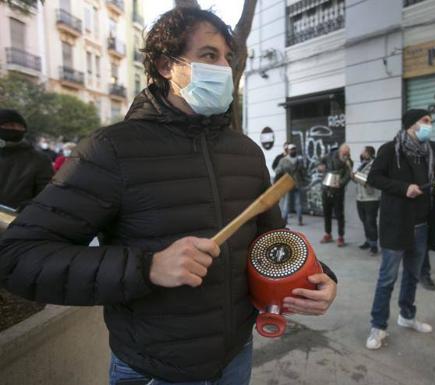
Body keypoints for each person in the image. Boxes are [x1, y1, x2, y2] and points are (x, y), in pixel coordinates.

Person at [0, 8, 337, 385]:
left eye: (229, 58)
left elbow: (272, 244)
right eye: (209, 55)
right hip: (152, 369)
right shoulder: (111, 150)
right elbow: (17, 257)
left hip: (236, 358)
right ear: (164, 65)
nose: (224, 68)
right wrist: (147, 268)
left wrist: (316, 278)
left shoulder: (246, 152)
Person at [365, 109, 435, 350]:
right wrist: (403, 188)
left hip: (421, 225)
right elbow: (373, 178)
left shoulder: (431, 151)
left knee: (412, 275)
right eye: (425, 121)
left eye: (430, 122)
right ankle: (378, 326)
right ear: (410, 125)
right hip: (396, 224)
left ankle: (407, 316)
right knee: (387, 278)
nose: (429, 126)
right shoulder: (390, 150)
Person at [0, 109, 54, 210]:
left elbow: (47, 195)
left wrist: (28, 207)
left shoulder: (40, 160)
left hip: (12, 221)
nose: (15, 129)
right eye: (9, 125)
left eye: (19, 126)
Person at [319, 143, 352, 247]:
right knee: (327, 213)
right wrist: (320, 166)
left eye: (347, 153)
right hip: (326, 188)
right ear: (340, 151)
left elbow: (348, 175)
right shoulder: (330, 155)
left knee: (339, 214)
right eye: (344, 153)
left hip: (338, 190)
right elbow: (320, 161)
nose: (346, 155)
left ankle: (341, 236)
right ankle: (328, 234)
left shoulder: (348, 161)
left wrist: (341, 183)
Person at [354, 146, 381, 255]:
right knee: (364, 220)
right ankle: (368, 241)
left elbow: (369, 179)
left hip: (371, 198)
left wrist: (355, 175)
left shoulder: (375, 164)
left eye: (363, 152)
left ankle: (374, 245)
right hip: (360, 197)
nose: (361, 153)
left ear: (368, 153)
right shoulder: (362, 163)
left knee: (371, 222)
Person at [275, 143, 307, 226]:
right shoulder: (284, 160)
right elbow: (277, 171)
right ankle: (285, 220)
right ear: (288, 150)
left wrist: (304, 181)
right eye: (291, 149)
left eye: (294, 149)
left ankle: (298, 220)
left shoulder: (298, 160)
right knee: (288, 203)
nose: (293, 150)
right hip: (289, 184)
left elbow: (303, 172)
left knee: (296, 203)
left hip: (296, 184)